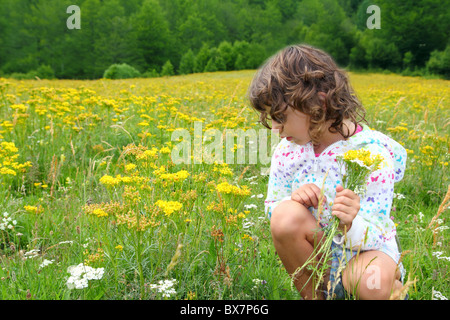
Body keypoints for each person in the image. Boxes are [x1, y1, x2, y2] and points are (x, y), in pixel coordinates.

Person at [248, 44, 407, 300]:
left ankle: (392, 288)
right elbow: (273, 209)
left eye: (280, 116)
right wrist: (294, 201)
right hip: (322, 254)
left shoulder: (373, 152)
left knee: (367, 281)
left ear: (317, 102)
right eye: (271, 119)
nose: (275, 128)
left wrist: (351, 225)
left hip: (368, 253)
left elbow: (376, 231)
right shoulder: (287, 151)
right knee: (285, 215)